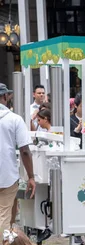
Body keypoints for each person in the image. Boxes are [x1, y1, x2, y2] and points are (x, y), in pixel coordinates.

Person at [0, 83, 35, 232]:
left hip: (8, 175)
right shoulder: (14, 119)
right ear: (5, 96)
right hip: (7, 174)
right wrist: (31, 176)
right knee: (4, 215)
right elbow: (24, 150)